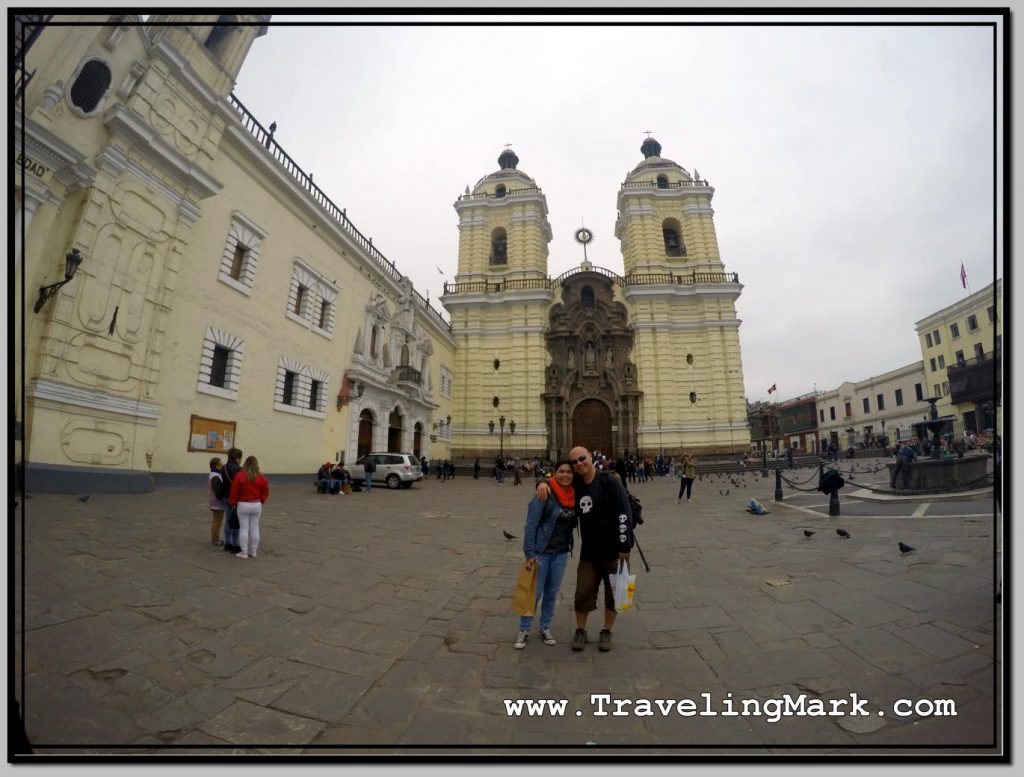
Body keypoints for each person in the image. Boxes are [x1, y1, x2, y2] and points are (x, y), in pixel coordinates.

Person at [536, 447, 634, 653]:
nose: (579, 463)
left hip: (614, 551)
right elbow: (558, 485)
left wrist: (625, 547)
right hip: (589, 552)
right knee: (582, 593)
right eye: (575, 461)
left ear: (591, 457)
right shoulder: (577, 484)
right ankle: (580, 630)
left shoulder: (610, 482)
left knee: (615, 594)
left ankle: (606, 631)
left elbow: (624, 514)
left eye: (582, 458)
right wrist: (542, 483)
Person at [514, 460, 577, 650]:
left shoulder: (575, 494)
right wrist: (529, 552)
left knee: (551, 593)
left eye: (568, 472)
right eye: (561, 471)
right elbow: (531, 525)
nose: (565, 475)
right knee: (534, 593)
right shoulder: (544, 493)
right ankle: (524, 629)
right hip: (541, 553)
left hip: (561, 553)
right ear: (554, 473)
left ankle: (545, 627)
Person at [228, 455, 269, 559]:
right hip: (256, 504)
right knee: (255, 528)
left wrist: (232, 502)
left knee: (244, 529)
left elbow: (234, 491)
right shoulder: (262, 477)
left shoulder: (240, 475)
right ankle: (253, 551)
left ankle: (244, 552)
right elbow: (265, 492)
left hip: (243, 504)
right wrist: (261, 501)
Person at [222, 447, 243, 553]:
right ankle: (235, 544)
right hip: (236, 497)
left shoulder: (224, 467)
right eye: (240, 457)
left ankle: (227, 543)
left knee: (228, 519)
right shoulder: (239, 469)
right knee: (236, 520)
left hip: (225, 496)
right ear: (237, 458)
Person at [207, 457, 227, 546]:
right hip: (217, 502)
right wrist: (222, 498)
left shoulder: (214, 474)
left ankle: (214, 538)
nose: (222, 465)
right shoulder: (215, 476)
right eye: (221, 463)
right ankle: (216, 540)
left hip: (214, 500)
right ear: (216, 465)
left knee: (216, 521)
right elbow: (217, 490)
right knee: (217, 522)